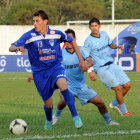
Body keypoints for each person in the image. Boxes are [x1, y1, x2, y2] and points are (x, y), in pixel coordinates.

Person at [9, 10, 88, 130]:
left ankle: (76, 117)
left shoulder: (56, 33)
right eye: (33, 21)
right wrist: (17, 48)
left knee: (64, 87)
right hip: (40, 72)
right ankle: (49, 119)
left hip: (56, 67)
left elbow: (72, 41)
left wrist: (81, 60)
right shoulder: (29, 36)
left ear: (45, 21)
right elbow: (11, 47)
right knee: (48, 104)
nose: (35, 24)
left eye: (37, 21)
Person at [50, 29, 119, 126]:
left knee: (100, 103)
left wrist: (87, 67)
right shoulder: (60, 53)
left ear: (75, 39)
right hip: (66, 85)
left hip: (80, 86)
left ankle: (109, 122)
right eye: (66, 39)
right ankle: (55, 117)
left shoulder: (81, 50)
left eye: (71, 38)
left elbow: (91, 61)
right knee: (65, 99)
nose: (68, 41)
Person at [84, 17, 132, 116]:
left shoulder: (104, 34)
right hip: (101, 68)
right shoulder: (88, 41)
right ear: (90, 28)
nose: (94, 28)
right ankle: (124, 112)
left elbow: (111, 44)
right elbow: (86, 57)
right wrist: (90, 71)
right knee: (118, 88)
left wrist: (118, 46)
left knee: (127, 85)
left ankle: (114, 104)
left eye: (96, 25)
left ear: (99, 26)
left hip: (111, 64)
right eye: (92, 26)